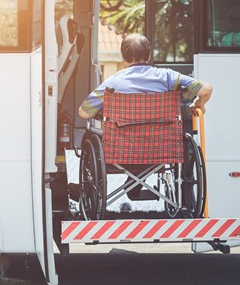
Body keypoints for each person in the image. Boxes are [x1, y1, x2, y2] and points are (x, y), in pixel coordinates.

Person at [78, 33, 213, 200]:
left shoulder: (112, 83)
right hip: (162, 150)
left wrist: (105, 114)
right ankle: (162, 191)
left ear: (123, 57)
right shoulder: (167, 76)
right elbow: (206, 89)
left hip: (122, 151)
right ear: (148, 55)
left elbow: (84, 112)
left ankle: (124, 184)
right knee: (170, 139)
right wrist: (198, 104)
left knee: (97, 136)